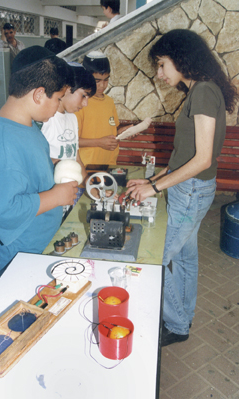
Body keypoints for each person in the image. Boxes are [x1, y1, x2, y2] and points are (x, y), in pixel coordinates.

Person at [125, 29, 238, 347]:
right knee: (185, 258)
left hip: (191, 192)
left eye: (162, 64)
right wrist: (150, 181)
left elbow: (202, 159)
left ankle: (175, 324)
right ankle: (181, 318)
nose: (159, 73)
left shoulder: (202, 92)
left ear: (181, 58)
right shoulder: (202, 90)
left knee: (155, 258)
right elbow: (186, 155)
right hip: (193, 190)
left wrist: (155, 188)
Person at [0, 46, 77, 291]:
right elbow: (2, 210)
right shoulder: (2, 143)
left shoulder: (26, 125)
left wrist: (52, 165)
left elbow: (25, 166)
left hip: (33, 247)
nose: (58, 106)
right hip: (12, 261)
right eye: (58, 98)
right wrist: (56, 196)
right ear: (39, 94)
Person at [41, 62, 96, 209]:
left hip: (70, 195)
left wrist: (91, 187)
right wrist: (60, 164)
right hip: (49, 196)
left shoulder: (72, 118)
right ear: (67, 89)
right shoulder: (45, 119)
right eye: (83, 95)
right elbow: (35, 162)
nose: (85, 103)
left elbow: (76, 158)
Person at [75, 51, 128, 167]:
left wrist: (123, 132)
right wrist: (99, 142)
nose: (102, 85)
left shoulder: (109, 102)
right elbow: (72, 141)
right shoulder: (80, 103)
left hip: (109, 164)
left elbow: (112, 130)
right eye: (97, 81)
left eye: (106, 80)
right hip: (86, 168)